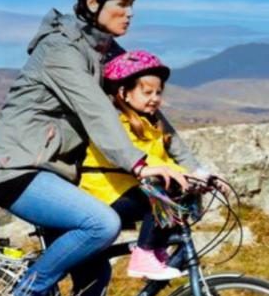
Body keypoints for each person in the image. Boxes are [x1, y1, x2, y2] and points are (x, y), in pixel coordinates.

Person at [0, 0, 198, 296]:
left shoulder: (108, 54)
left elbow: (150, 117)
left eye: (132, 5)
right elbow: (98, 112)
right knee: (101, 224)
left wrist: (194, 168)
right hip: (20, 170)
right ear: (93, 2)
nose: (129, 14)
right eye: (122, 4)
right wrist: (139, 165)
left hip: (59, 175)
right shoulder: (60, 50)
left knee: (95, 272)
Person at [79, 50, 205, 282]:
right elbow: (143, 158)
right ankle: (143, 254)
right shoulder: (119, 123)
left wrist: (198, 176)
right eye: (147, 92)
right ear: (124, 94)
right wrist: (179, 173)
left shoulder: (151, 125)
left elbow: (164, 161)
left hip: (125, 189)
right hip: (104, 192)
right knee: (159, 197)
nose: (155, 98)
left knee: (180, 196)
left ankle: (157, 249)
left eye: (158, 92)